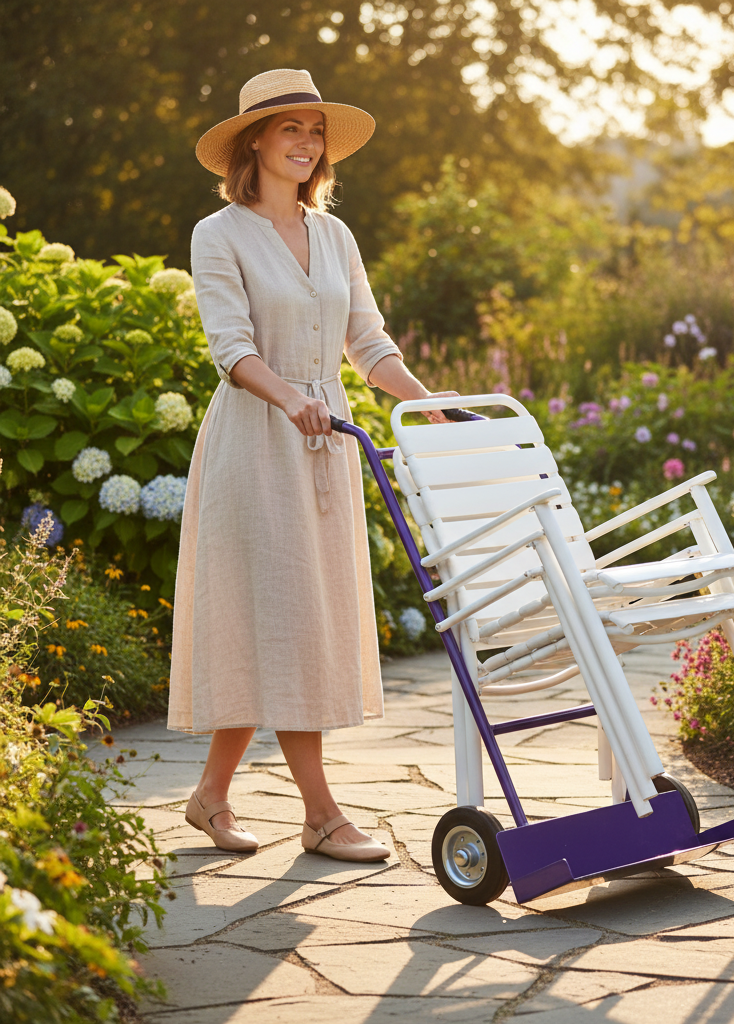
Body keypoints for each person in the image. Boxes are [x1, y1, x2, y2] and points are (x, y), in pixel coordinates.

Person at [168, 68, 456, 862]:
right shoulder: (218, 233)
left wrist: (428, 402)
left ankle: (210, 798)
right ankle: (323, 815)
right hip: (257, 443)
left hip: (327, 444)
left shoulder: (334, 235)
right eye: (289, 127)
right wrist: (289, 396)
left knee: (288, 622)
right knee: (288, 618)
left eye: (315, 129)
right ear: (253, 140)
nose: (305, 141)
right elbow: (231, 347)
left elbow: (368, 342)